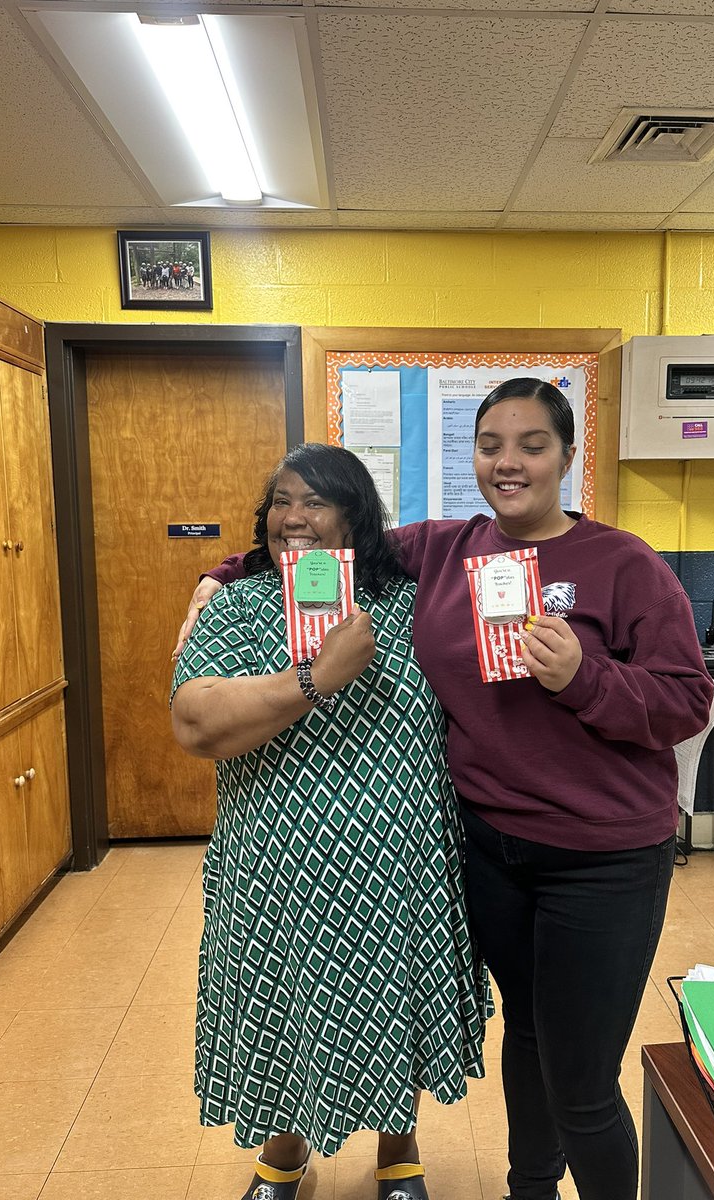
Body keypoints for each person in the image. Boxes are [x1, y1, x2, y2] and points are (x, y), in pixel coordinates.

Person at [175, 380, 714, 1200]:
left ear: (569, 456)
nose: (509, 462)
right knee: (529, 1040)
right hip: (491, 852)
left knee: (582, 1078)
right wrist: (224, 572)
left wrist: (586, 677)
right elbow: (325, 532)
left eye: (533, 444)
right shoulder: (447, 550)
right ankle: (529, 1189)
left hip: (601, 857)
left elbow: (685, 701)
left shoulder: (623, 562)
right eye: (492, 444)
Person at [171, 443, 490, 1200]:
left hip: (396, 876)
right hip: (276, 879)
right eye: (282, 501)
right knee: (280, 1005)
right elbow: (195, 723)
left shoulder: (410, 610)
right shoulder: (240, 606)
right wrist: (313, 678)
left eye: (314, 501)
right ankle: (284, 1158)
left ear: (355, 514)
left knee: (392, 1006)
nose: (294, 517)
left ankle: (399, 1156)